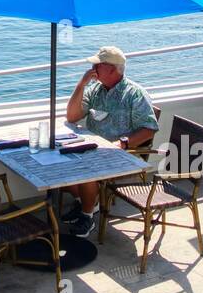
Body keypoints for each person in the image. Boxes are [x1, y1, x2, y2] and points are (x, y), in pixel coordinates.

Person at [61, 46, 158, 238]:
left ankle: (87, 216)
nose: (93, 68)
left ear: (112, 69)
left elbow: (149, 129)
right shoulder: (96, 89)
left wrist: (121, 143)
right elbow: (72, 116)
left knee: (86, 169)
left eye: (97, 65)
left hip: (120, 153)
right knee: (62, 162)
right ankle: (87, 202)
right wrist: (81, 85)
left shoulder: (134, 94)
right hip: (93, 147)